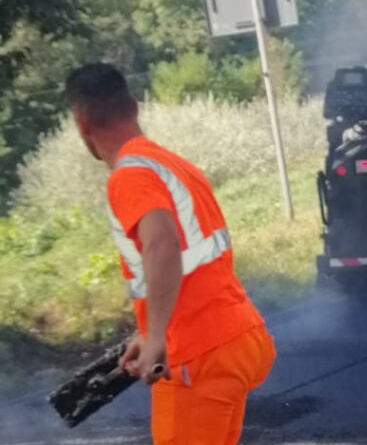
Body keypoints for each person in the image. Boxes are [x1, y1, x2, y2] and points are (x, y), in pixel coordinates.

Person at [65, 63, 276, 445]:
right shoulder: (172, 165)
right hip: (236, 336)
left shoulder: (129, 175)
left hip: (197, 352)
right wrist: (148, 332)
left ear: (82, 124)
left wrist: (158, 336)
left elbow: (163, 244)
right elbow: (192, 262)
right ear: (134, 106)